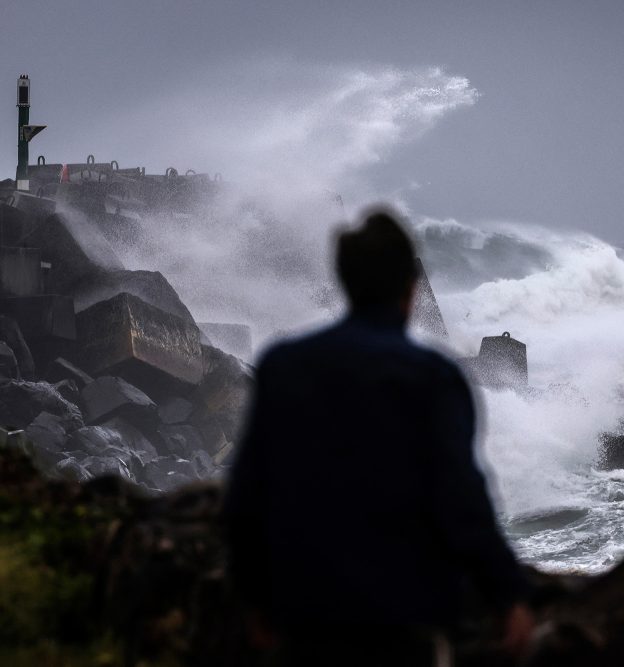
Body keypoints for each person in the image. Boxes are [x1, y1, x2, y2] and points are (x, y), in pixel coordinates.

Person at [224, 207, 534, 664]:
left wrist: (253, 595)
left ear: (344, 283)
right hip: (405, 612)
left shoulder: (283, 364)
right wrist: (508, 594)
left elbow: (247, 493)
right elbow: (462, 499)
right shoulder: (435, 377)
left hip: (305, 606)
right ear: (412, 290)